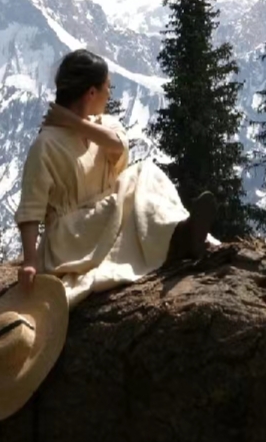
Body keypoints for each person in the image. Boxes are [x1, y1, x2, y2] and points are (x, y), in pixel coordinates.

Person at [15, 49, 215, 307]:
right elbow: (31, 210)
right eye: (108, 87)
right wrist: (30, 261)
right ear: (91, 93)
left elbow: (118, 145)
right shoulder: (46, 145)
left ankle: (183, 231)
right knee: (136, 181)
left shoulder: (103, 125)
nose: (110, 94)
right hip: (69, 238)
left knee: (146, 172)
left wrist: (74, 122)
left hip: (101, 218)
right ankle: (179, 238)